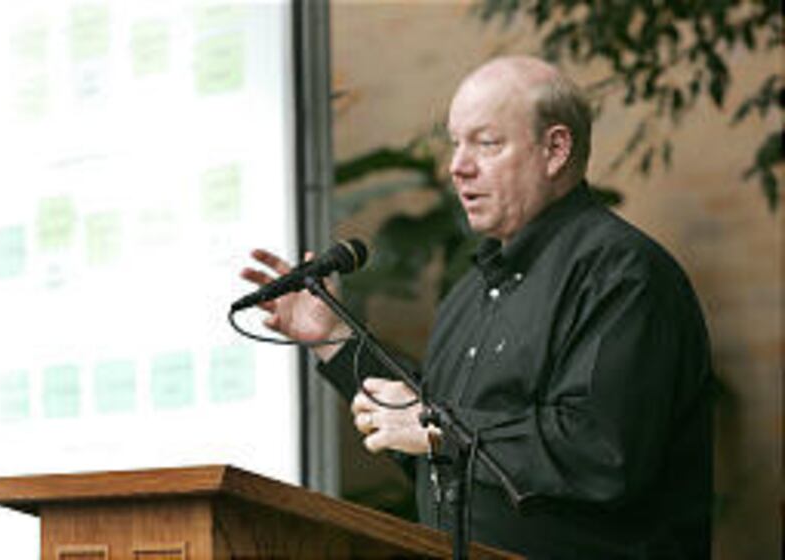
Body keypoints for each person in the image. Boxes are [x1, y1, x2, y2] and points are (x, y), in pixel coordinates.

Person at [241, 56, 713, 559]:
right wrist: (333, 340)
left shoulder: (622, 273)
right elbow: (431, 451)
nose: (457, 166)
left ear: (555, 149)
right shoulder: (469, 292)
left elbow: (600, 451)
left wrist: (438, 429)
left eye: (486, 143)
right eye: (455, 142)